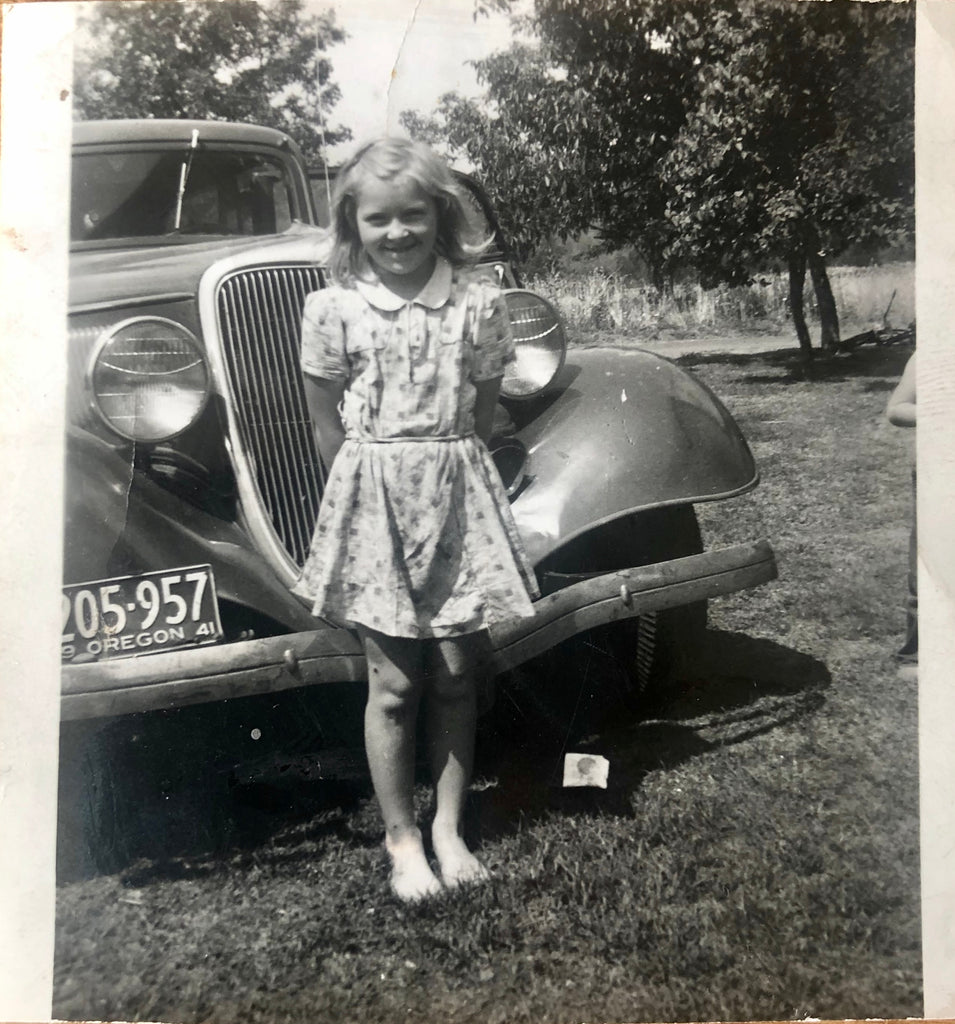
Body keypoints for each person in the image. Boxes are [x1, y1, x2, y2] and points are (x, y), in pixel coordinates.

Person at [292, 138, 539, 901]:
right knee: (394, 683)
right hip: (375, 505)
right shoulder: (332, 309)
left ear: (440, 216)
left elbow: (485, 409)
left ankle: (448, 828)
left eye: (412, 215)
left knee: (460, 675)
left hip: (456, 492)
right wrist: (368, 490)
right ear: (352, 225)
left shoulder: (476, 303)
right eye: (377, 220)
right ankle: (402, 839)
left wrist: (441, 462)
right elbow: (323, 424)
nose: (396, 233)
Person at [886, 351, 917, 678]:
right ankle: (916, 655)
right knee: (924, 566)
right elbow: (896, 409)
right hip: (938, 474)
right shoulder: (930, 357)